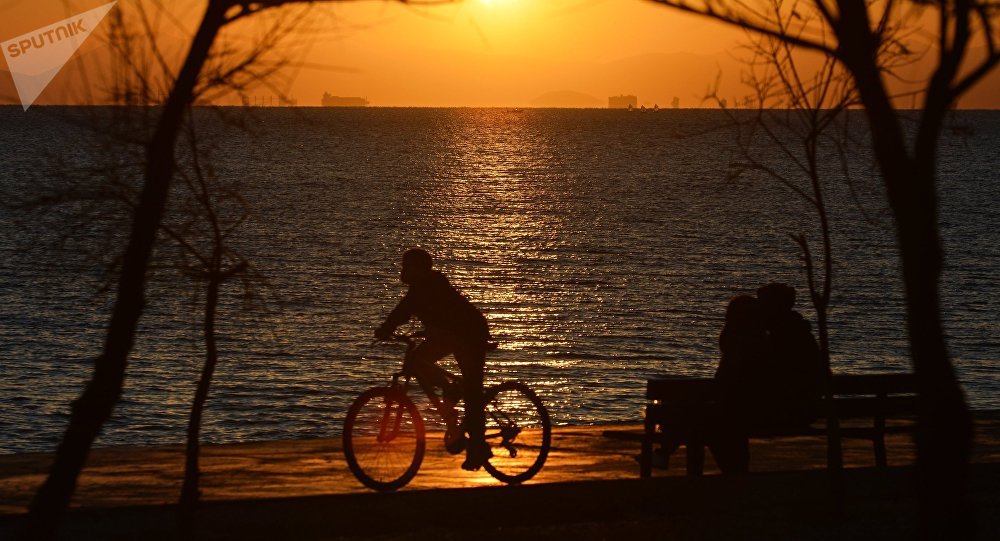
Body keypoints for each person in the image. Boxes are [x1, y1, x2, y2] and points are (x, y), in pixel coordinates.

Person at [375, 248, 493, 471]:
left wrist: (386, 328)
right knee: (418, 362)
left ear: (419, 269)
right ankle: (451, 390)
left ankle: (478, 447)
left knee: (472, 389)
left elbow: (404, 311)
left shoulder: (426, 286)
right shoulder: (421, 287)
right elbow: (418, 312)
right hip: (448, 335)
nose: (403, 270)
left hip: (470, 335)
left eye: (407, 266)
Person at [755, 283, 824, 429]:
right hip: (805, 410)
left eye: (762, 305)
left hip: (785, 413)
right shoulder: (801, 334)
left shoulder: (780, 339)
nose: (759, 310)